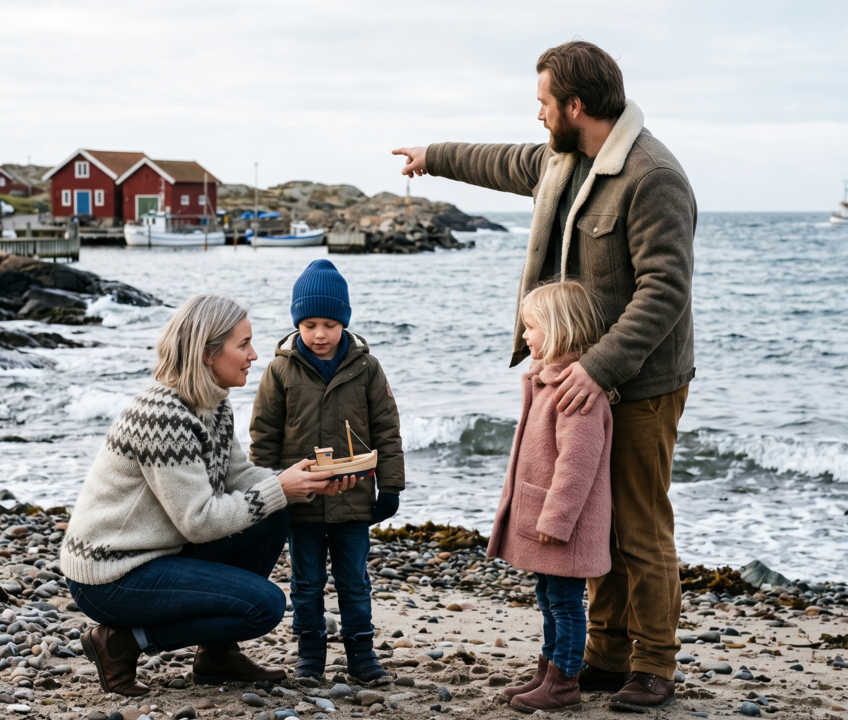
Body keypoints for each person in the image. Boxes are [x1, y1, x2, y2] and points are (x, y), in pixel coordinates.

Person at [393, 40, 695, 711]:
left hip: (640, 380)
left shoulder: (652, 178)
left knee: (639, 526)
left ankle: (655, 663)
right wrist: (432, 157)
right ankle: (606, 654)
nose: (537, 115)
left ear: (576, 106)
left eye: (543, 103)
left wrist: (598, 366)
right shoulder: (565, 157)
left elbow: (664, 291)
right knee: (595, 518)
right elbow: (500, 161)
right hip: (579, 372)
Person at [60, 294, 356, 696]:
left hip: (154, 554)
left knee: (274, 516)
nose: (254, 355)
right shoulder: (163, 415)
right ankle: (120, 642)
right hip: (110, 574)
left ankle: (216, 656)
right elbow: (199, 522)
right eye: (243, 345)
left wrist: (301, 481)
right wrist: (279, 489)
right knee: (263, 606)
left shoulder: (212, 403)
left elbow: (239, 475)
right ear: (206, 352)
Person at [250, 259, 405, 685]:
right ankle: (310, 655)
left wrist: (389, 487)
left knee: (355, 581)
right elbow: (263, 437)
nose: (320, 334)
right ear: (297, 322)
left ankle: (362, 653)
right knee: (306, 582)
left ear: (345, 323)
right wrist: (266, 492)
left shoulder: (366, 368)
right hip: (299, 501)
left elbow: (387, 430)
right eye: (311, 324)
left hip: (354, 501)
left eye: (331, 324)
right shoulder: (280, 370)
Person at [488, 281, 612, 713]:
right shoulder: (546, 380)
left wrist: (557, 521)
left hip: (564, 527)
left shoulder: (575, 393)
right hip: (543, 518)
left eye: (531, 327)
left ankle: (564, 685)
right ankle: (549, 668)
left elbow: (577, 467)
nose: (524, 336)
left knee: (565, 603)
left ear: (559, 329)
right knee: (548, 598)